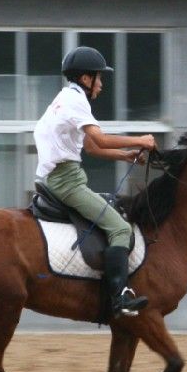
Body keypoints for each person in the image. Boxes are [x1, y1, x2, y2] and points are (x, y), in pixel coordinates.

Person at [33, 46, 156, 318]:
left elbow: (91, 148)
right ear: (86, 79)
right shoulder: (77, 101)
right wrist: (141, 140)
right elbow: (99, 139)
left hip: (58, 177)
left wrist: (125, 156)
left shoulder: (65, 98)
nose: (101, 85)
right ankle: (119, 297)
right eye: (99, 78)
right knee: (121, 229)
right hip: (66, 182)